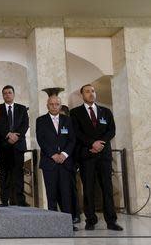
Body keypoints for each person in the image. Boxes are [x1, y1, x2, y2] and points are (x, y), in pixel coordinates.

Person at [70, 84, 123, 231]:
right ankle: (90, 220)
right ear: (82, 95)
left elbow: (111, 130)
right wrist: (92, 144)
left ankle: (111, 221)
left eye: (93, 91)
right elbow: (76, 132)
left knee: (107, 188)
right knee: (88, 189)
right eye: (87, 91)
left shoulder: (105, 111)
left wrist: (101, 143)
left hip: (104, 156)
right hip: (87, 156)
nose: (91, 93)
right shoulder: (75, 112)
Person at [36, 96, 77, 231]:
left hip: (65, 163)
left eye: (57, 104)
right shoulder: (41, 120)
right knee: (51, 194)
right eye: (51, 104)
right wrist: (53, 155)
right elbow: (41, 140)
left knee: (66, 194)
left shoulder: (67, 120)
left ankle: (67, 224)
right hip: (49, 163)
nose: (54, 106)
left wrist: (64, 155)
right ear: (47, 106)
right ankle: (53, 224)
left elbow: (72, 140)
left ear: (60, 106)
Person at [0, 85, 29, 207]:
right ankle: (4, 200)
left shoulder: (22, 109)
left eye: (9, 92)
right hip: (3, 145)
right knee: (4, 174)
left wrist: (16, 136)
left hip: (18, 145)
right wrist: (8, 134)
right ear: (3, 95)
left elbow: (25, 125)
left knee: (18, 173)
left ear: (13, 94)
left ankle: (20, 200)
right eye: (5, 93)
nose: (7, 95)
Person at [60, 105, 81, 224]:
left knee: (72, 190)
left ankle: (76, 214)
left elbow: (74, 144)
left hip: (70, 162)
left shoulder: (71, 125)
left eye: (62, 114)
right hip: (57, 162)